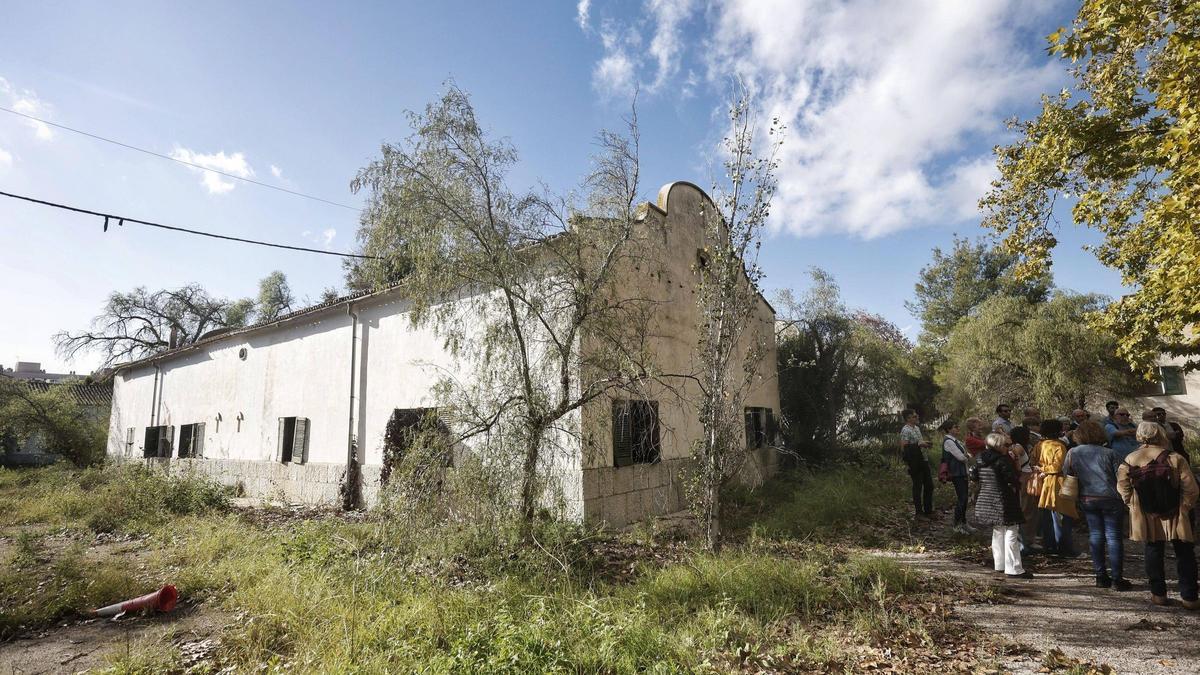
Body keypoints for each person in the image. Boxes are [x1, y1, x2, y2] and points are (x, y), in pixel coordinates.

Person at [1118, 422, 1200, 608]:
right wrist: (1185, 508)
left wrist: (1133, 504)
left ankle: (1158, 595)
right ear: (1161, 434)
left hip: (1147, 513)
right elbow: (1191, 489)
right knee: (1185, 553)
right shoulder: (1175, 458)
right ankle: (1190, 598)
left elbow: (1122, 486)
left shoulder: (1131, 458)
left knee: (1153, 550)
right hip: (1176, 512)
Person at [1066, 420, 1130, 590]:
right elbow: (1122, 476)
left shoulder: (1073, 452)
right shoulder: (1111, 453)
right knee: (1114, 537)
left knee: (1095, 535)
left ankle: (1100, 576)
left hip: (1087, 498)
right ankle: (1117, 579)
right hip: (1111, 498)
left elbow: (1067, 473)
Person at [972, 432, 1032, 578]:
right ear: (998, 446)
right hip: (1003, 498)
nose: (1008, 447)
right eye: (1006, 445)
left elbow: (974, 476)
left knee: (998, 530)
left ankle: (999, 564)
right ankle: (1014, 568)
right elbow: (1012, 478)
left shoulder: (980, 458)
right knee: (1012, 530)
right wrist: (1017, 473)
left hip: (986, 498)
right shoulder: (1002, 460)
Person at [1037, 419, 1079, 556]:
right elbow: (1058, 467)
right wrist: (1045, 469)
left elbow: (1033, 462)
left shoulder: (1039, 445)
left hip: (1044, 483)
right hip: (1058, 483)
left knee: (1048, 517)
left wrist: (1041, 470)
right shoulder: (1059, 446)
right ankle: (1064, 549)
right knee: (1062, 517)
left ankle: (1050, 547)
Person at [1010, 426, 1039, 554]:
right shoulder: (1018, 447)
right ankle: (1026, 541)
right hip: (1024, 479)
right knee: (1027, 510)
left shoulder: (1017, 446)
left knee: (1028, 509)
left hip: (1025, 478)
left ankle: (1027, 538)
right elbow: (1013, 457)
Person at [939, 419, 973, 533]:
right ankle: (957, 524)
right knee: (962, 498)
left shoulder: (955, 440)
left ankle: (963, 522)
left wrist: (966, 456)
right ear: (949, 429)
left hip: (961, 471)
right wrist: (966, 456)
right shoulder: (948, 441)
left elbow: (965, 454)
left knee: (964, 498)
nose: (958, 428)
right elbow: (961, 457)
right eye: (955, 427)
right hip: (956, 472)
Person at [900, 409, 933, 519]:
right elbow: (904, 447)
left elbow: (919, 442)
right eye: (914, 416)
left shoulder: (917, 428)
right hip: (915, 462)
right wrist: (919, 445)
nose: (917, 417)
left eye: (916, 415)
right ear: (908, 418)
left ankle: (928, 510)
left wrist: (924, 444)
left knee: (929, 485)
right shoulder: (905, 430)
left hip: (924, 459)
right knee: (917, 487)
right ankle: (919, 513)